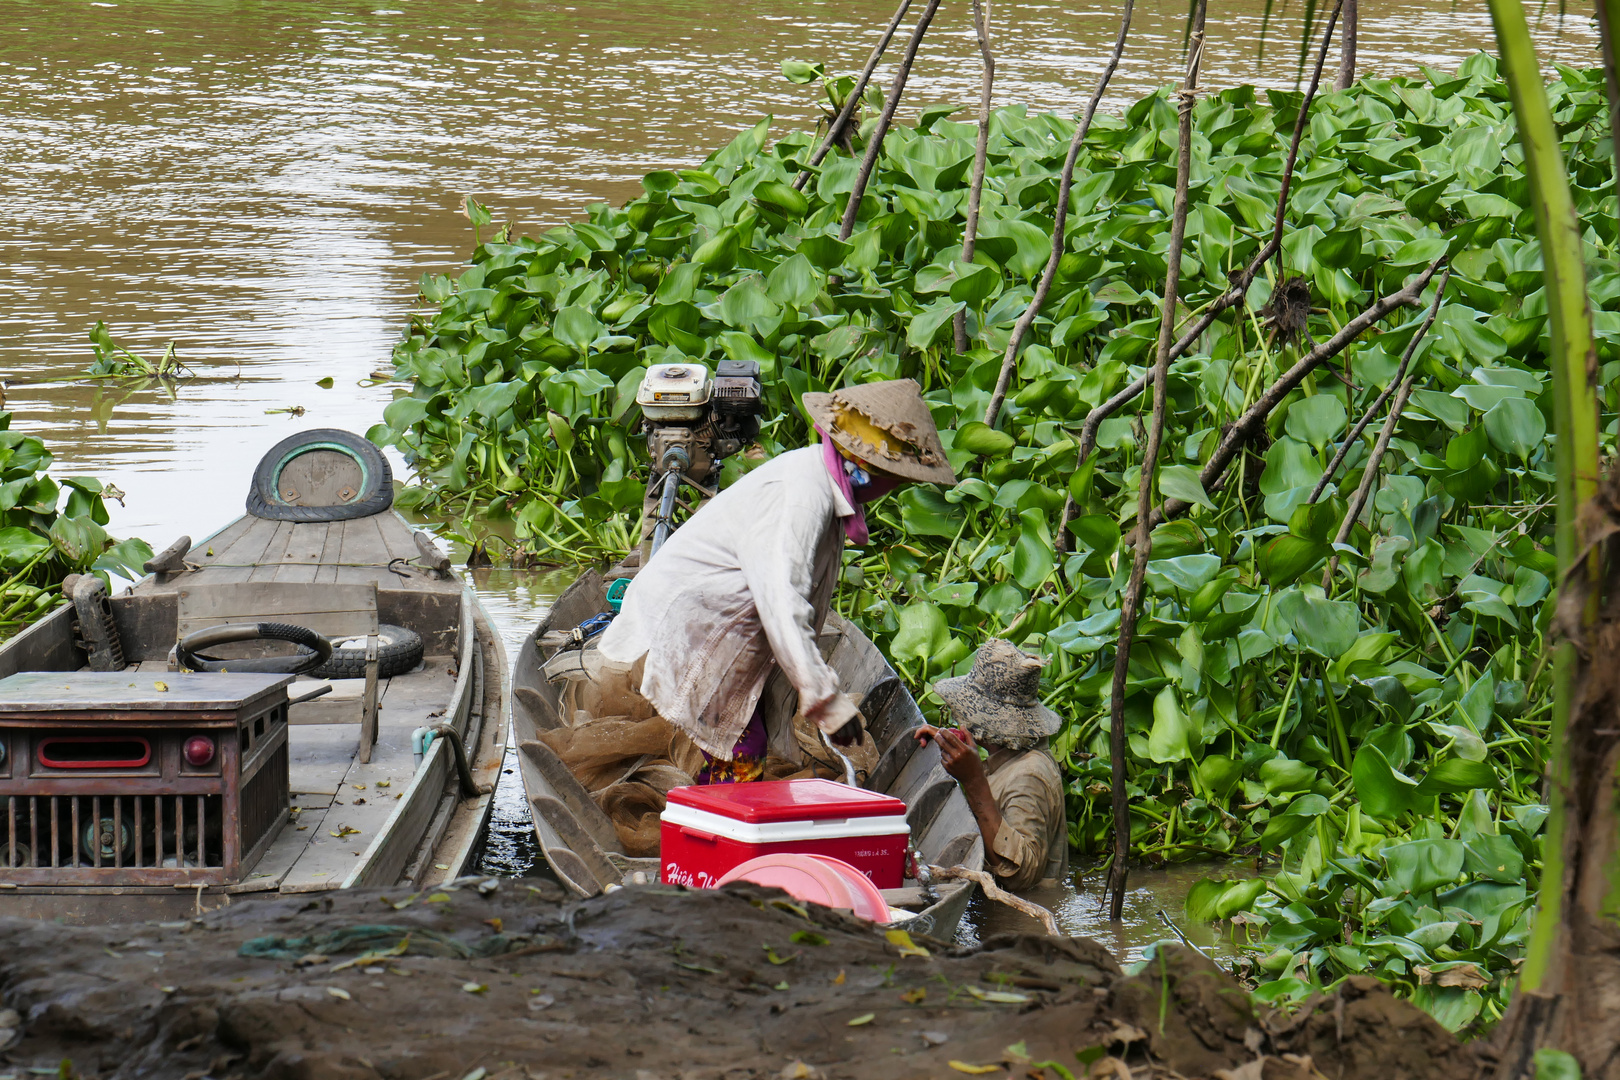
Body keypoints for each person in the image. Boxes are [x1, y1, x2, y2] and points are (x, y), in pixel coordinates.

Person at [599, 378, 956, 784]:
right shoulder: (802, 495)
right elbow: (784, 605)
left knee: (740, 745)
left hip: (721, 620)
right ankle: (716, 835)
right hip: (698, 624)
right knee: (740, 754)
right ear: (871, 469)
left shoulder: (820, 480)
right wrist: (828, 703)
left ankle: (713, 820)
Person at [916, 639, 1069, 891]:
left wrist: (974, 782)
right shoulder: (1013, 754)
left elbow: (1020, 877)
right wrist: (948, 739)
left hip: (1016, 921)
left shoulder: (1029, 775)